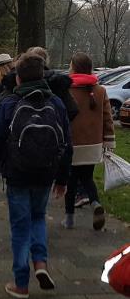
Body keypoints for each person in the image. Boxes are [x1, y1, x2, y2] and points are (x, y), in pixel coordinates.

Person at [0, 52, 72, 299]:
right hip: (45, 173)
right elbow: (67, 143)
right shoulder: (56, 103)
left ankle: (21, 283)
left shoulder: (10, 103)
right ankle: (41, 264)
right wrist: (63, 179)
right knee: (38, 219)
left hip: (17, 173)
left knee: (20, 227)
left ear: (19, 79)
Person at [63, 52, 114, 230]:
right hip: (93, 145)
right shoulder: (100, 91)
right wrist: (109, 142)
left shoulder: (67, 90)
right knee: (87, 178)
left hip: (72, 144)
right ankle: (95, 203)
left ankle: (69, 218)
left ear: (74, 67)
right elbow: (107, 118)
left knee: (70, 181)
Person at [27, 46, 79, 121]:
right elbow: (72, 110)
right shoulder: (58, 82)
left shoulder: (22, 80)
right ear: (46, 60)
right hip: (52, 128)